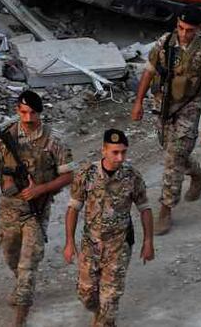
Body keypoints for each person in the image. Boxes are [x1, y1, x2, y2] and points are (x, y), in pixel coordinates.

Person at [0, 90, 73, 326]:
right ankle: (22, 285)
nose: (28, 118)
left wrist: (41, 189)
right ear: (18, 110)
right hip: (10, 208)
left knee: (28, 264)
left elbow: (68, 175)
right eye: (24, 112)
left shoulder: (53, 140)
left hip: (36, 210)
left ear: (40, 113)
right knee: (11, 254)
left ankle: (21, 315)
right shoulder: (5, 139)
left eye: (33, 113)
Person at [131, 7, 201, 235]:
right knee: (170, 150)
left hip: (189, 108)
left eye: (190, 30)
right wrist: (138, 102)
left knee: (174, 158)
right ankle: (197, 174)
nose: (184, 34)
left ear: (199, 29)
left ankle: (166, 210)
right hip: (163, 106)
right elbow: (149, 72)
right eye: (181, 28)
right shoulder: (165, 42)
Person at [64, 129, 154, 327]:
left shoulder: (132, 176)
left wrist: (148, 242)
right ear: (103, 150)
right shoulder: (87, 174)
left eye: (123, 152)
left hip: (118, 246)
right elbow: (73, 208)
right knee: (86, 295)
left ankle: (106, 319)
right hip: (91, 246)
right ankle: (101, 314)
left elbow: (145, 209)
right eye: (115, 152)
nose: (120, 157)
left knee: (110, 299)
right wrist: (69, 242)